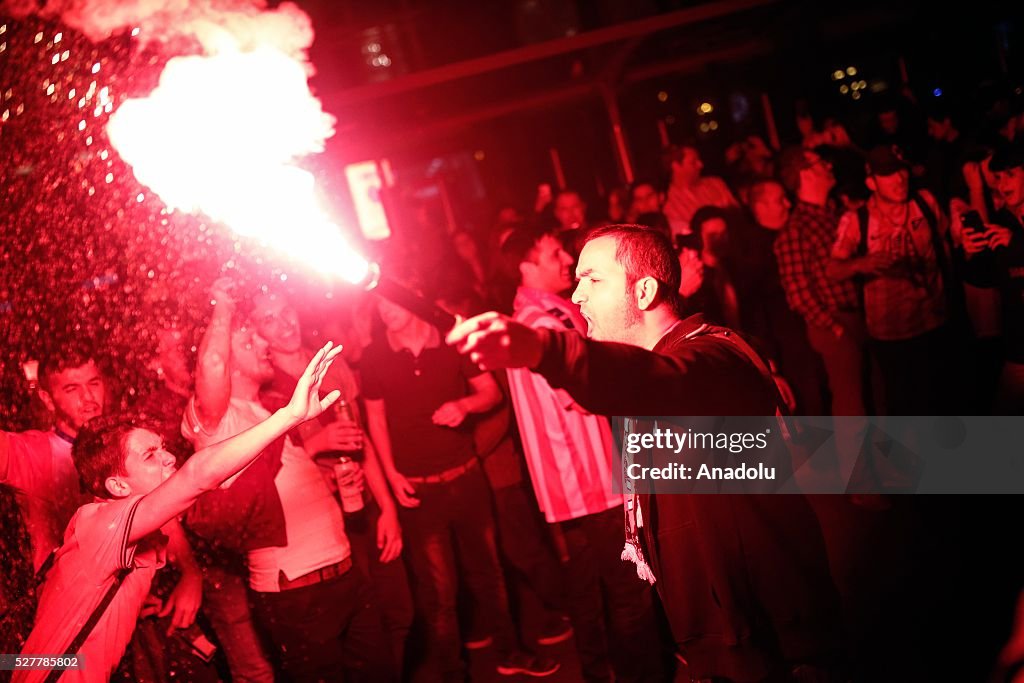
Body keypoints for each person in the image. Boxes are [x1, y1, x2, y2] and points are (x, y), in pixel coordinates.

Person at [447, 225, 843, 682]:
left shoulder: (714, 357)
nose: (577, 297)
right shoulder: (660, 364)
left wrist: (543, 349)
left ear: (645, 290)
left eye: (593, 280)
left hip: (770, 637)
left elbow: (665, 381)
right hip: (721, 634)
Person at [14, 343, 343, 683]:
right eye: (150, 455)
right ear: (118, 487)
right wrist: (288, 417)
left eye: (163, 448)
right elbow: (198, 476)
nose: (169, 458)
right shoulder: (101, 522)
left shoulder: (130, 527)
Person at [498, 227, 667, 682]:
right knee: (629, 592)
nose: (565, 259)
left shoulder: (533, 315)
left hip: (572, 484)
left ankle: (601, 672)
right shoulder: (545, 325)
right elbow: (588, 391)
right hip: (592, 479)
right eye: (553, 252)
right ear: (526, 267)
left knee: (589, 589)